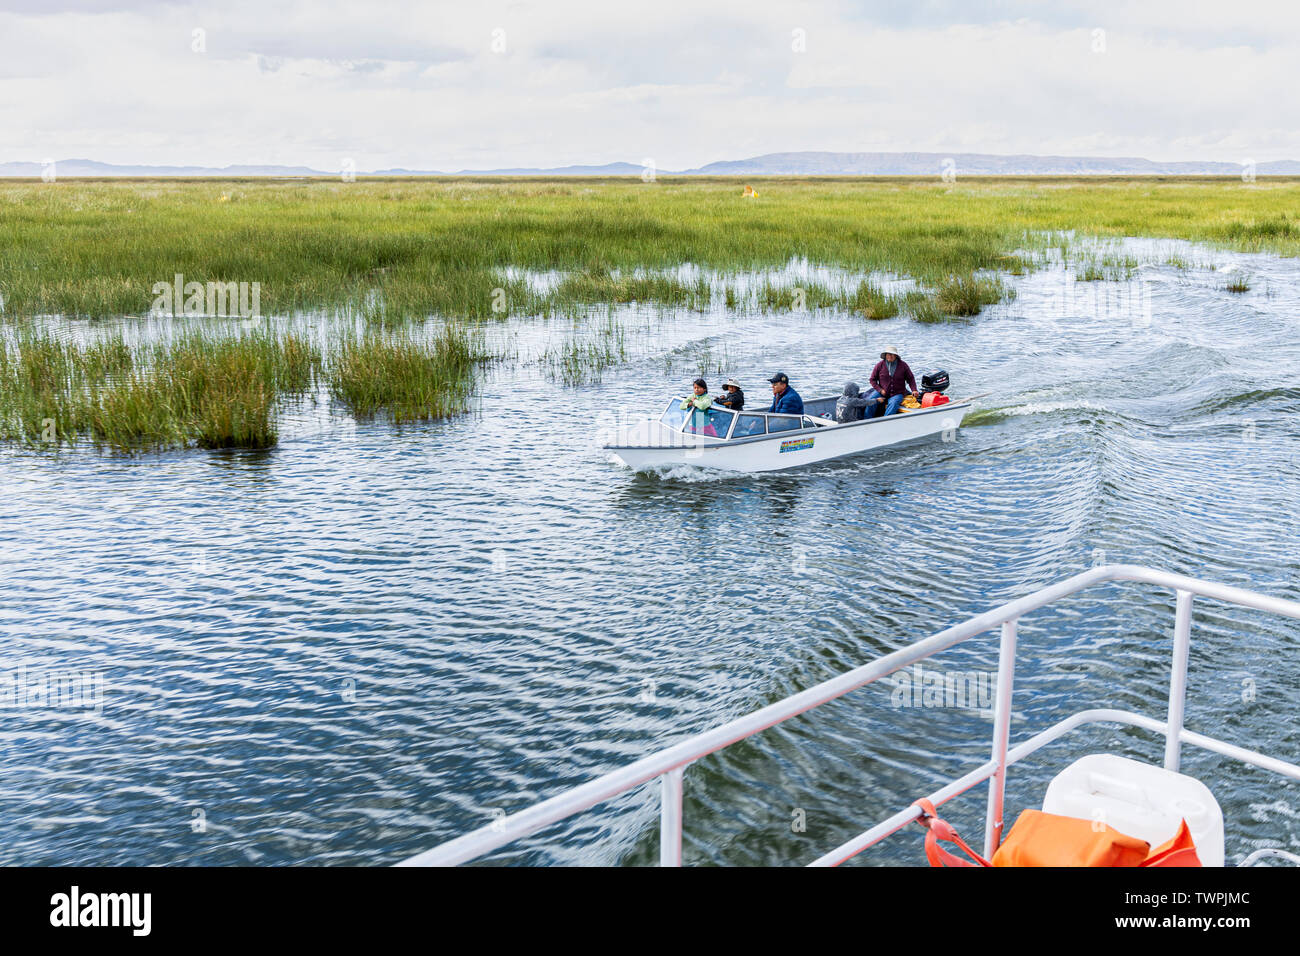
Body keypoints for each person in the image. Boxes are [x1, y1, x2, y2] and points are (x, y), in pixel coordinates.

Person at [863, 346, 919, 418]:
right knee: (871, 401)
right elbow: (872, 379)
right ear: (885, 355)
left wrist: (914, 390)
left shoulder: (903, 365)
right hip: (881, 392)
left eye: (892, 354)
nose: (890, 356)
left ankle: (886, 421)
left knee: (893, 403)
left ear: (896, 355)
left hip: (897, 393)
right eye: (888, 354)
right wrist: (880, 390)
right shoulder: (879, 365)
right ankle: (866, 421)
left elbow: (910, 378)